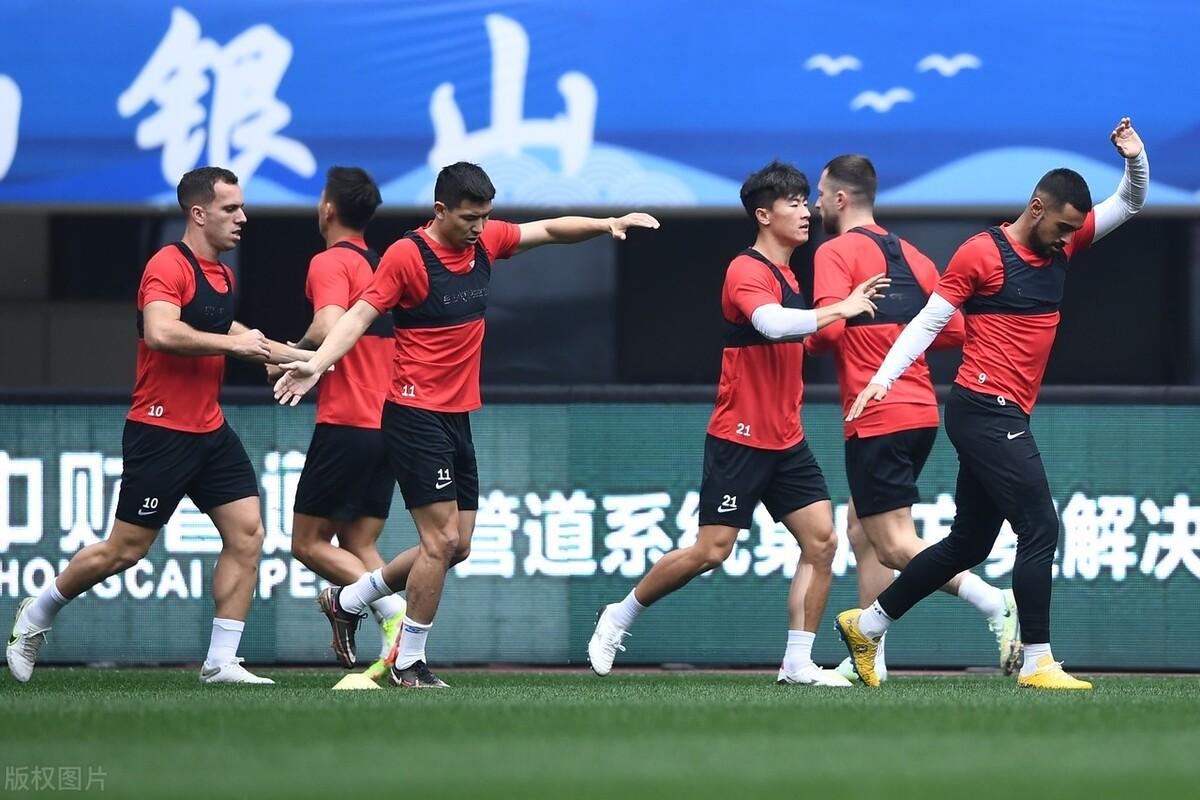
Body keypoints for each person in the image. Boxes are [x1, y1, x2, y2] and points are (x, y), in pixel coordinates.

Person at [273, 161, 659, 688]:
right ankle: (408, 663)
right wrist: (316, 364)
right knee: (440, 541)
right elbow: (358, 316)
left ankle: (350, 598)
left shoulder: (485, 241)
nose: (479, 227)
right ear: (441, 211)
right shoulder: (407, 256)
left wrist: (606, 223)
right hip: (413, 413)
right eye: (469, 218)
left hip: (457, 416)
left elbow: (548, 230)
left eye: (485, 217)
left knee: (458, 546)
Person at [837, 118, 1148, 689]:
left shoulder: (1065, 240)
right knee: (1040, 527)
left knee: (968, 543)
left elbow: (1129, 202)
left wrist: (1134, 158)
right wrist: (883, 378)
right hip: (984, 408)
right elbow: (929, 321)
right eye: (1062, 226)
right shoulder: (981, 253)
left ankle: (868, 624)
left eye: (1074, 230)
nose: (1068, 239)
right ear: (1036, 207)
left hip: (1004, 412)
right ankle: (1037, 662)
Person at [7, 166, 313, 684]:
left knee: (248, 534)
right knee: (125, 551)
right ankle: (36, 615)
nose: (242, 217)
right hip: (160, 430)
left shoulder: (222, 274)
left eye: (241, 207)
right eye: (230, 209)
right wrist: (237, 346)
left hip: (210, 431)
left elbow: (226, 328)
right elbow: (162, 332)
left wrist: (295, 357)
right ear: (199, 214)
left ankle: (220, 662)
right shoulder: (167, 265)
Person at [587, 160, 887, 686]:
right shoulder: (746, 270)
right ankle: (619, 614)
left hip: (787, 438)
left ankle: (797, 663)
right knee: (712, 550)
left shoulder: (791, 274)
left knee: (821, 542)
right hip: (740, 436)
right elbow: (770, 323)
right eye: (793, 203)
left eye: (806, 201)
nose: (805, 212)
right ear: (763, 214)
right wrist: (840, 309)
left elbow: (799, 332)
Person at [807, 154, 1021, 682]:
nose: (814, 204)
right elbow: (954, 330)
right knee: (861, 530)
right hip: (920, 411)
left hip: (876, 415)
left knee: (895, 544)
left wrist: (804, 334)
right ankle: (870, 661)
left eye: (820, 194)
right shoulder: (913, 255)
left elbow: (827, 332)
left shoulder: (833, 252)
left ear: (840, 199)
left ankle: (993, 601)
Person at [270, 166, 407, 682]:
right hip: (391, 425)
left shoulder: (331, 260)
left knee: (307, 543)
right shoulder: (386, 264)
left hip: (348, 421)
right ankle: (400, 644)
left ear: (328, 208)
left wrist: (294, 352)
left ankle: (394, 615)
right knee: (359, 545)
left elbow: (328, 324)